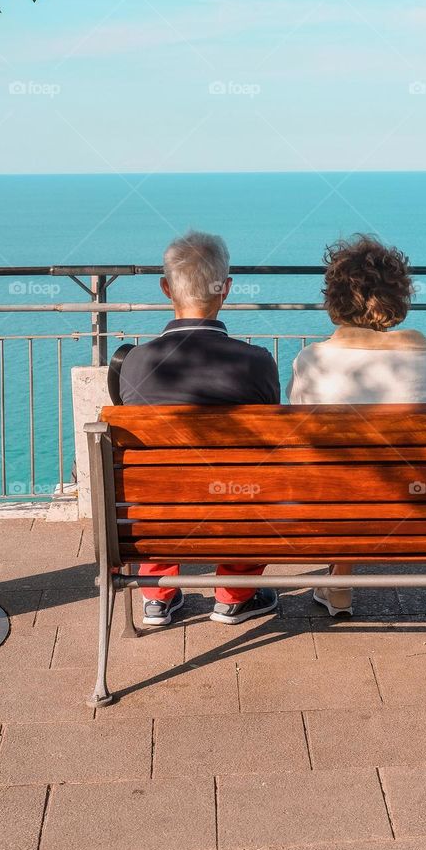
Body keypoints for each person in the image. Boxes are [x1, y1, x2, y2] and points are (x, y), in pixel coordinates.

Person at [119, 230, 280, 627]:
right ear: (225, 288)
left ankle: (157, 596)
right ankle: (234, 597)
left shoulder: (133, 363)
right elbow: (270, 446)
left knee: (153, 486)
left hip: (157, 517)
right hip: (234, 510)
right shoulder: (256, 363)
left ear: (165, 288)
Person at [287, 233, 426, 616]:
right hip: (413, 496)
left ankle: (339, 582)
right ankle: (337, 582)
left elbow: (298, 434)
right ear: (397, 297)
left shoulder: (312, 360)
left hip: (330, 500)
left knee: (338, 474)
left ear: (335, 299)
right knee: (365, 473)